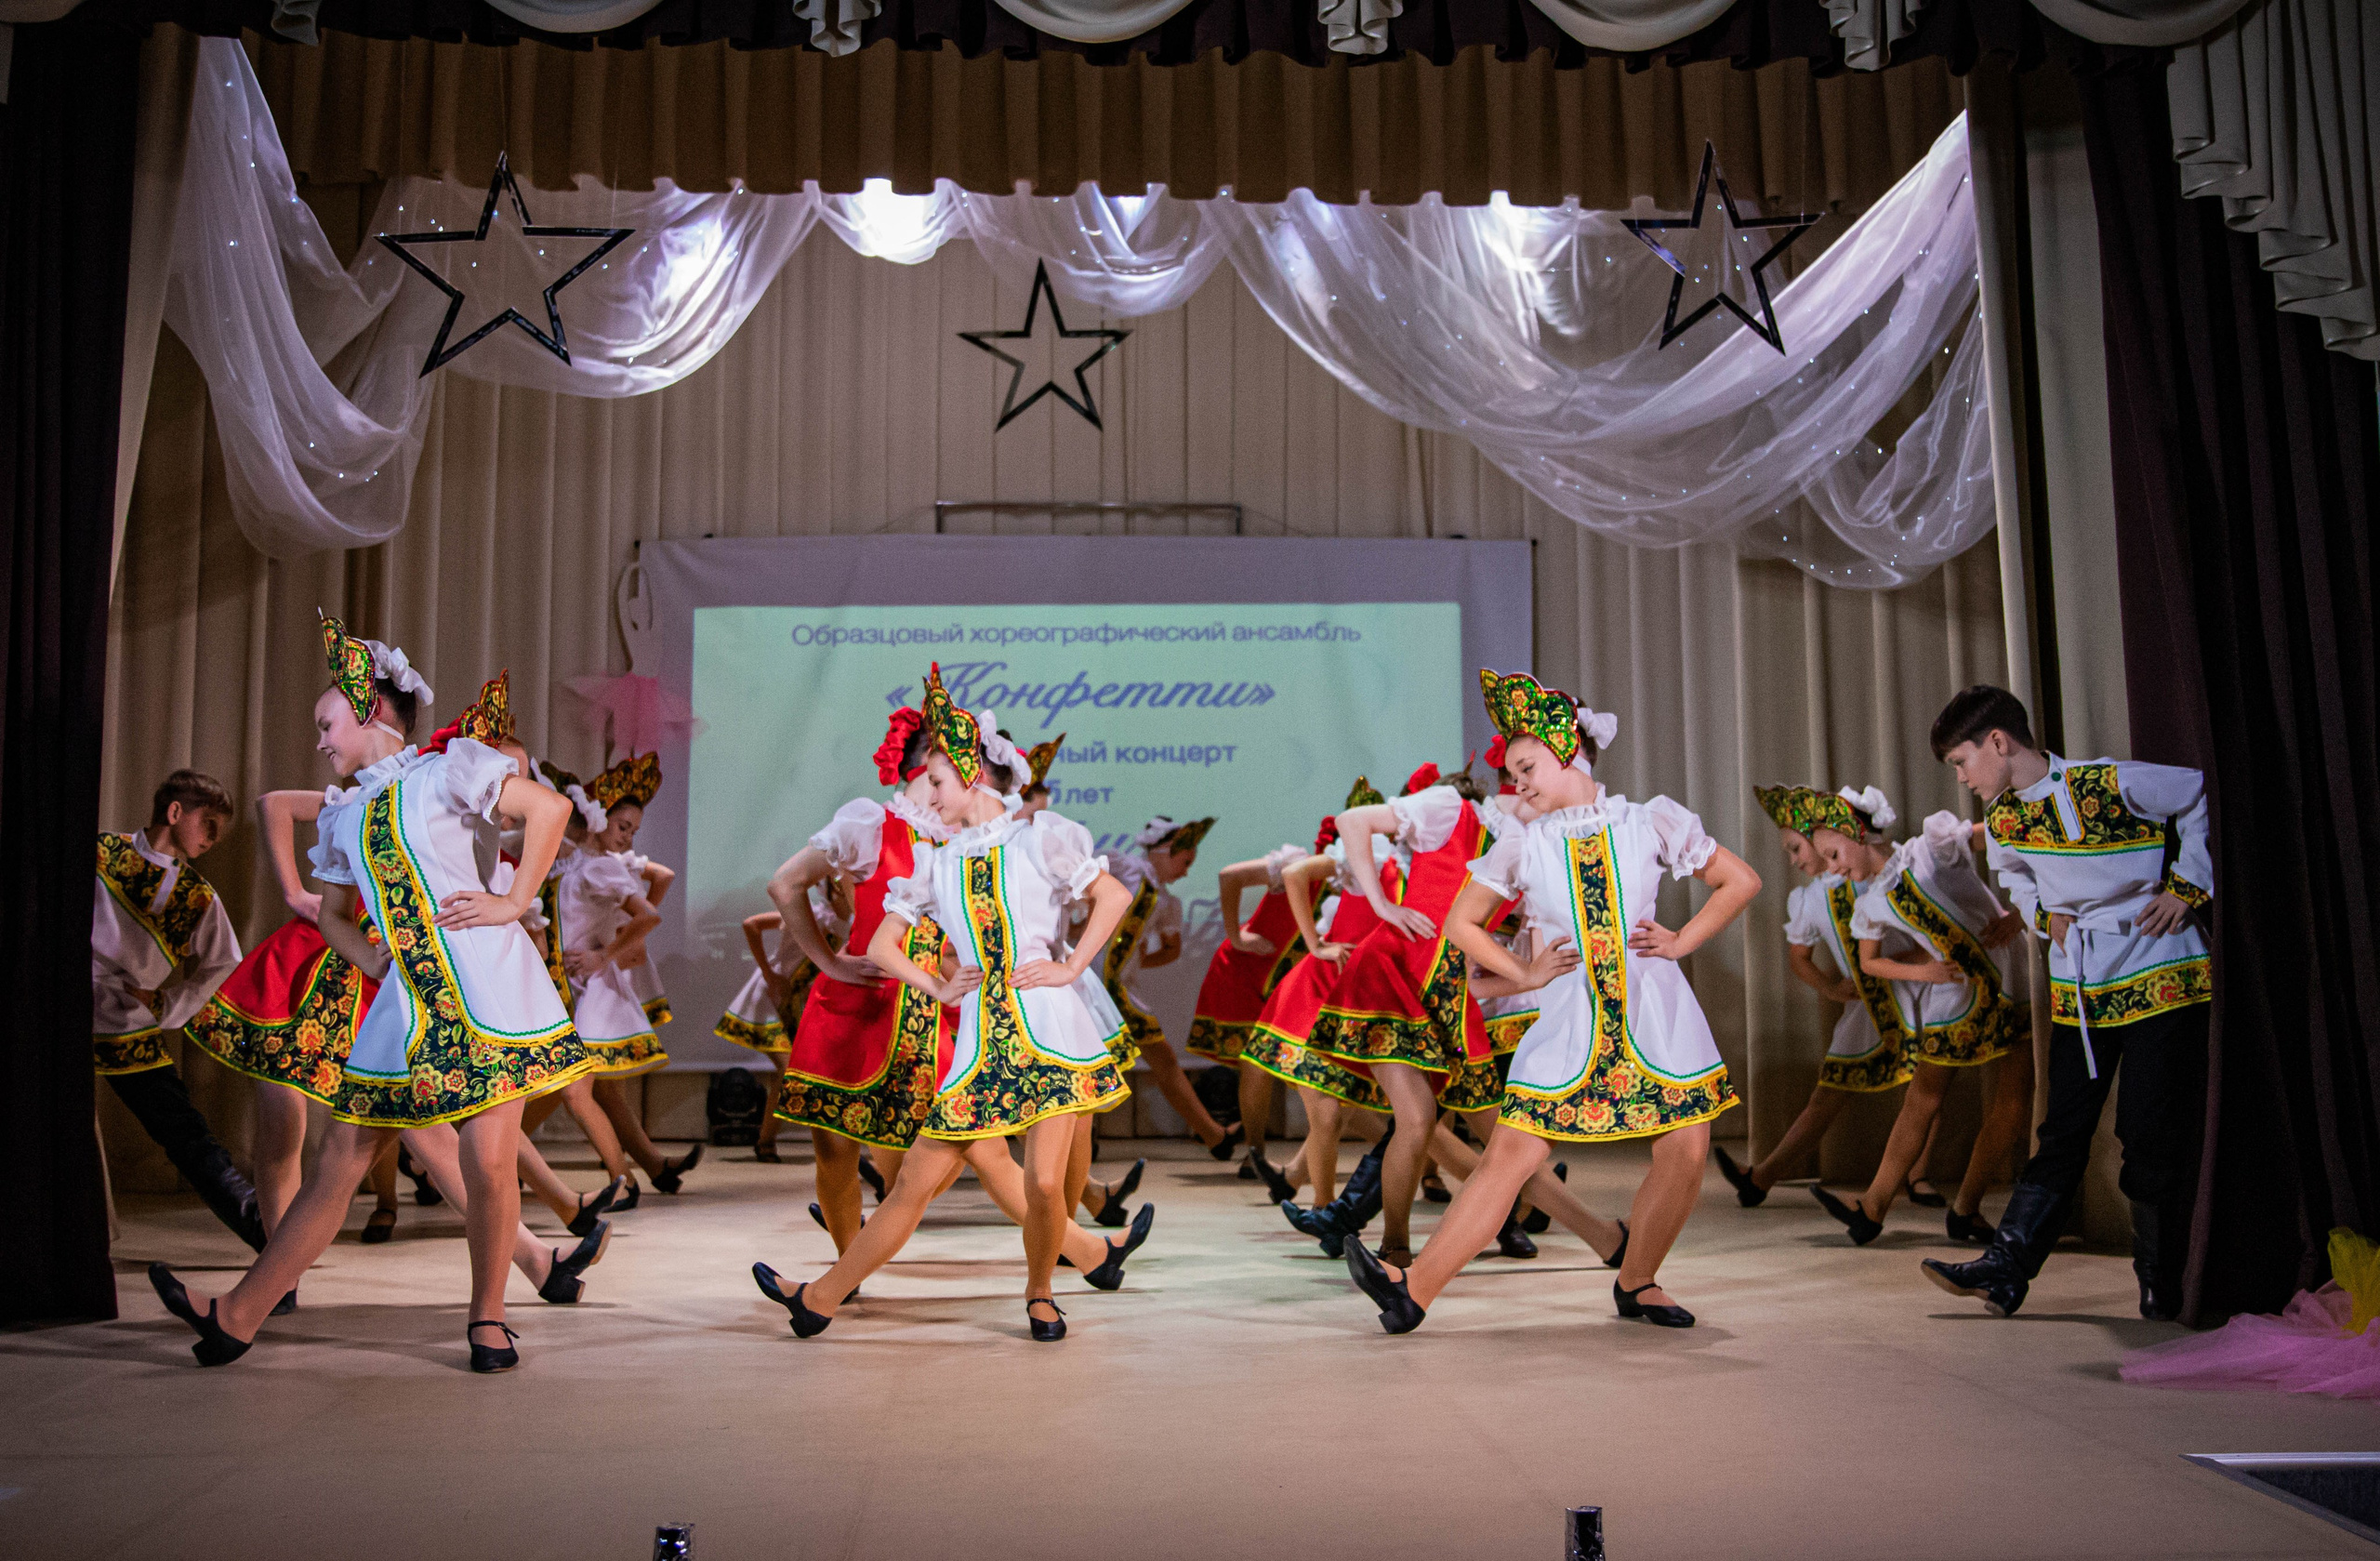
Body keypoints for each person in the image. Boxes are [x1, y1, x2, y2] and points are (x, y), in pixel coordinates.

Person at [149, 617, 601, 1372]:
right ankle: (238, 1312)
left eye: (327, 722)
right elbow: (329, 916)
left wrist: (512, 901)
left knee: (488, 1159)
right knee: (339, 1158)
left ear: (371, 710)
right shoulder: (342, 810)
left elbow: (549, 813)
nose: (320, 738)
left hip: (486, 981)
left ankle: (487, 1320)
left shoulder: (449, 768)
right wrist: (377, 961)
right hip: (408, 996)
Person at [1342, 670, 1760, 1333]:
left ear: (1570, 749)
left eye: (1527, 766)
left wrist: (1682, 941)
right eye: (1512, 774)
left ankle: (1637, 1279)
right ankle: (1412, 1289)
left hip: (1655, 1014)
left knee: (1685, 1146)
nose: (1519, 783)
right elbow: (1461, 922)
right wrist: (1526, 973)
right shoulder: (1523, 841)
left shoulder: (1650, 819)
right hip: (1569, 1018)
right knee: (1512, 1155)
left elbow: (1739, 880)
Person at [750, 664, 1144, 1342]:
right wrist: (935, 984)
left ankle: (1041, 1291)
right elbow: (881, 944)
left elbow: (1113, 895)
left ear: (971, 775)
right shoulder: (941, 862)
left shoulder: (1040, 836)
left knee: (1046, 1185)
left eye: (935, 781)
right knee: (910, 1189)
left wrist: (1072, 964)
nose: (924, 794)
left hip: (1049, 1028)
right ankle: (817, 1297)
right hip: (977, 1045)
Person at [1922, 685, 2212, 1321]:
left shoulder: (2111, 782)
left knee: (2149, 1131)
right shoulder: (2004, 819)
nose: (1964, 777)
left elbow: (2197, 794)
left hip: (2158, 966)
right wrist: (2042, 914)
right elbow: (2015, 876)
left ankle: (2162, 1278)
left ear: (1998, 741)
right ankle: (2006, 1266)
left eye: (1962, 761)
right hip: (2079, 980)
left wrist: (2187, 888)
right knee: (2062, 1130)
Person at [1712, 786, 1966, 1233]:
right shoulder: (1809, 899)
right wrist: (1831, 989)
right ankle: (1762, 1176)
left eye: (1796, 847)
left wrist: (1915, 967)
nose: (1795, 858)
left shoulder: (1877, 875)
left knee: (1926, 1088)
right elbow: (1799, 957)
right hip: (1868, 1010)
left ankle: (1917, 1176)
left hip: (1917, 993)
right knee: (1826, 1097)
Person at [762, 707, 956, 1254]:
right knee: (835, 1149)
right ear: (930, 763)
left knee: (947, 1151)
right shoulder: (870, 823)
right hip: (859, 1003)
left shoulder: (962, 835)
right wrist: (830, 962)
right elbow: (785, 885)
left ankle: (866, 1246)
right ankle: (848, 1262)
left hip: (925, 1007)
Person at [1805, 787, 2034, 1248]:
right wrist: (1923, 970)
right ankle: (1874, 1204)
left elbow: (2014, 834)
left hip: (2011, 981)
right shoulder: (1870, 903)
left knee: (2012, 1100)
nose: (1832, 868)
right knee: (1922, 1098)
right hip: (1955, 994)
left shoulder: (1932, 846)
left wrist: (2023, 912)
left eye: (1833, 854)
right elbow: (1869, 963)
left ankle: (1967, 1206)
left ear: (1858, 832)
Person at [1303, 763, 1503, 1266]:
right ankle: (1379, 1237)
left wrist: (1530, 976)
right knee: (1408, 1119)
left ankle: (1529, 1219)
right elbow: (1348, 826)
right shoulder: (1448, 812)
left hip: (1445, 994)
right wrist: (1380, 906)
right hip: (1389, 976)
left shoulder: (1518, 844)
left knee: (1468, 1128)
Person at [92, 769, 258, 1250]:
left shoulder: (197, 895)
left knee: (185, 1136)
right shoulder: (102, 852)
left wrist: (167, 1004)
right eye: (208, 823)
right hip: (57, 1011)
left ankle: (272, 1250)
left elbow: (224, 962)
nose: (214, 838)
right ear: (174, 812)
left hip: (128, 1026)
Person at [559, 752, 703, 1196]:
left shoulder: (602, 866)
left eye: (633, 831)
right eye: (623, 827)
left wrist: (610, 953)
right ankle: (654, 1166)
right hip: (569, 986)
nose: (627, 838)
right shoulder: (577, 860)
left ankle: (622, 1181)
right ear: (598, 818)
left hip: (589, 991)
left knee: (574, 1093)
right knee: (599, 1094)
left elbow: (648, 915)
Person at [1101, 814, 1242, 1160]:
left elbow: (1171, 951)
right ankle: (1214, 1136)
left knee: (1157, 1058)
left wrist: (1129, 960)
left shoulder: (1168, 903)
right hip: (1090, 981)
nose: (1186, 872)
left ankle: (1214, 1135)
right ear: (1165, 851)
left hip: (1117, 987)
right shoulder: (1123, 868)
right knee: (1136, 1059)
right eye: (1185, 861)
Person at [1188, 838, 1317, 1197]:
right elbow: (1230, 875)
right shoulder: (1299, 865)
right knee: (1256, 1064)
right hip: (1247, 973)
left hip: (1294, 978)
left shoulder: (1372, 878)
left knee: (1308, 1067)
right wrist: (1237, 936)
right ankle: (1255, 1153)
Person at [712, 879, 851, 1162]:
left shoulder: (846, 923)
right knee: (790, 1071)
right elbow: (751, 924)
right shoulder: (811, 914)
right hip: (770, 1000)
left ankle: (767, 1140)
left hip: (798, 1004)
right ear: (835, 890)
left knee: (794, 1073)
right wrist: (768, 973)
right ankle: (780, 1141)